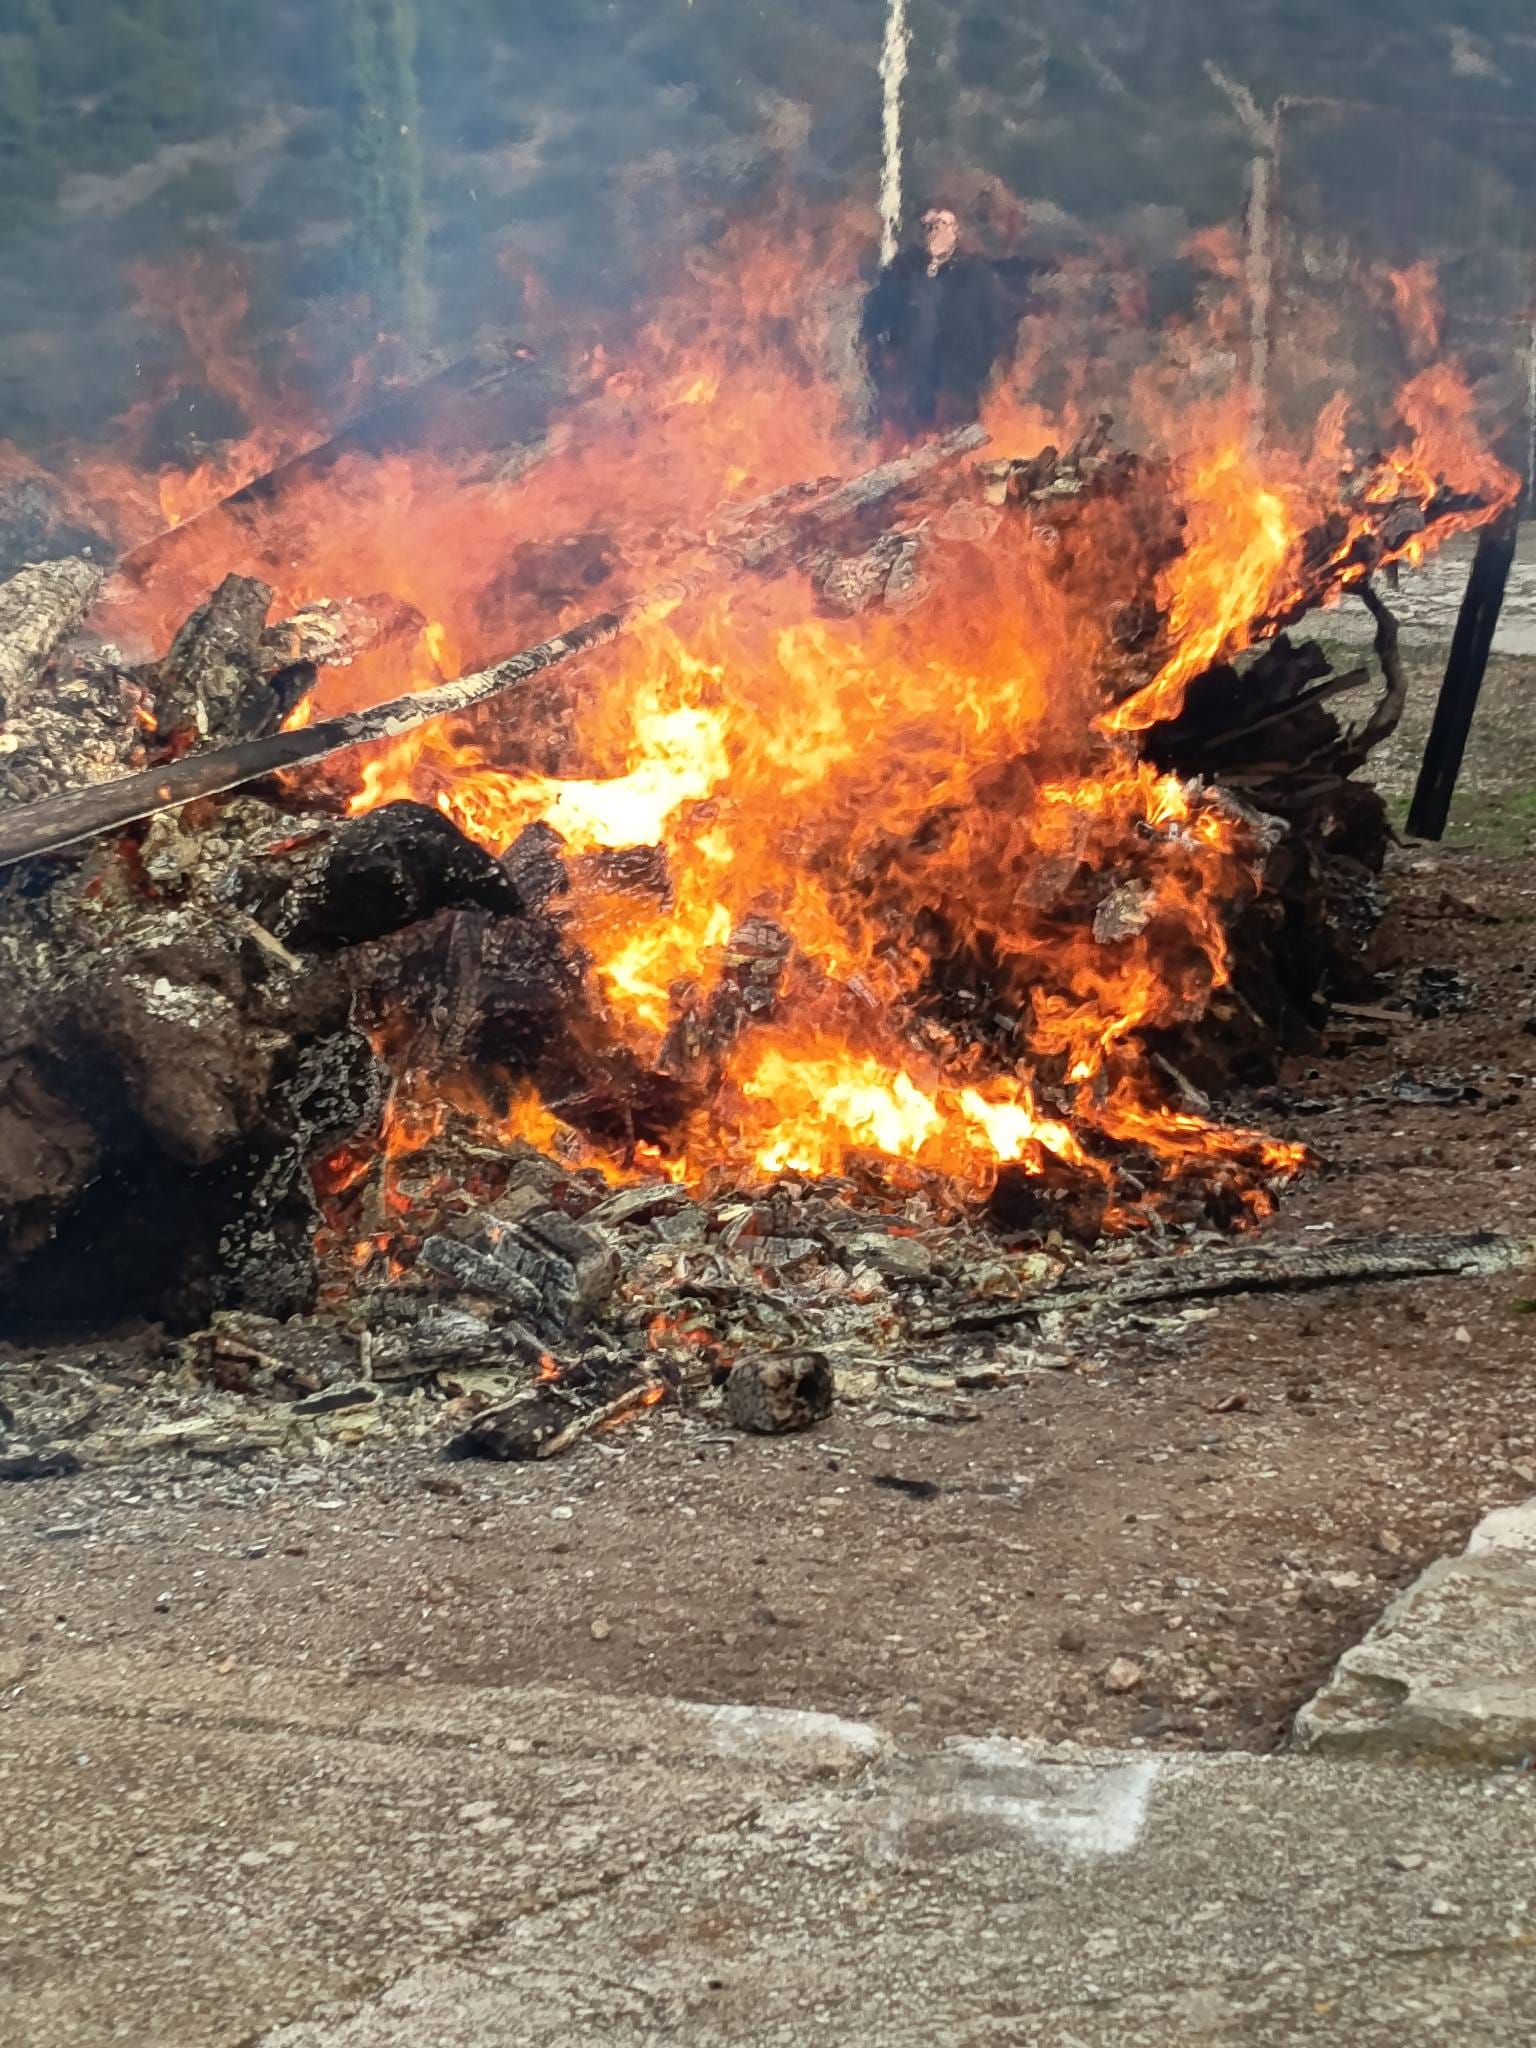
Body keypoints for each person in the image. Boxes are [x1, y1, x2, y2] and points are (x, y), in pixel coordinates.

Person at [860, 205, 1011, 441]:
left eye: (942, 225)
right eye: (928, 226)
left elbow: (998, 329)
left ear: (956, 231)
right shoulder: (901, 272)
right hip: (910, 391)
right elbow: (874, 319)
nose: (934, 232)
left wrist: (983, 370)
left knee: (957, 447)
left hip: (958, 388)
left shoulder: (977, 276)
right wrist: (881, 364)